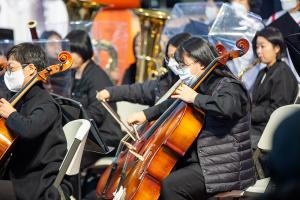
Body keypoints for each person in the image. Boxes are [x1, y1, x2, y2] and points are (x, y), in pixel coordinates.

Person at [126, 37, 256, 200]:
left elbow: (227, 107)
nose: (180, 70)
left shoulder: (230, 85)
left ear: (201, 63)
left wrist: (195, 98)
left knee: (171, 186)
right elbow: (174, 102)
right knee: (157, 176)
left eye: (183, 65)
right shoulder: (199, 84)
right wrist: (145, 114)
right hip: (204, 160)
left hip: (224, 166)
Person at [0, 42, 72, 199]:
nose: (8, 74)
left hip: (37, 182)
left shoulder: (47, 103)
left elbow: (28, 129)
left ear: (31, 69)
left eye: (11, 68)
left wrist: (11, 114)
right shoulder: (22, 98)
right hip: (20, 174)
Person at [65, 29, 123, 155]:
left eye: (74, 51)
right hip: (85, 134)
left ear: (84, 50)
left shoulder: (97, 76)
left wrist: (70, 121)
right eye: (68, 50)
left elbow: (97, 113)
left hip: (103, 138)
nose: (70, 55)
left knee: (66, 156)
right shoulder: (73, 73)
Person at [96, 32, 192, 106]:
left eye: (174, 56)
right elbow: (138, 91)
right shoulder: (166, 81)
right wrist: (111, 92)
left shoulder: (198, 83)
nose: (171, 62)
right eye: (169, 57)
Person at [250, 26, 298, 148]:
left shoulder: (282, 72)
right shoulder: (263, 72)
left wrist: (249, 113)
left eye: (262, 46)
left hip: (266, 130)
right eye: (256, 47)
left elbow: (278, 110)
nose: (258, 51)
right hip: (255, 125)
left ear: (276, 48)